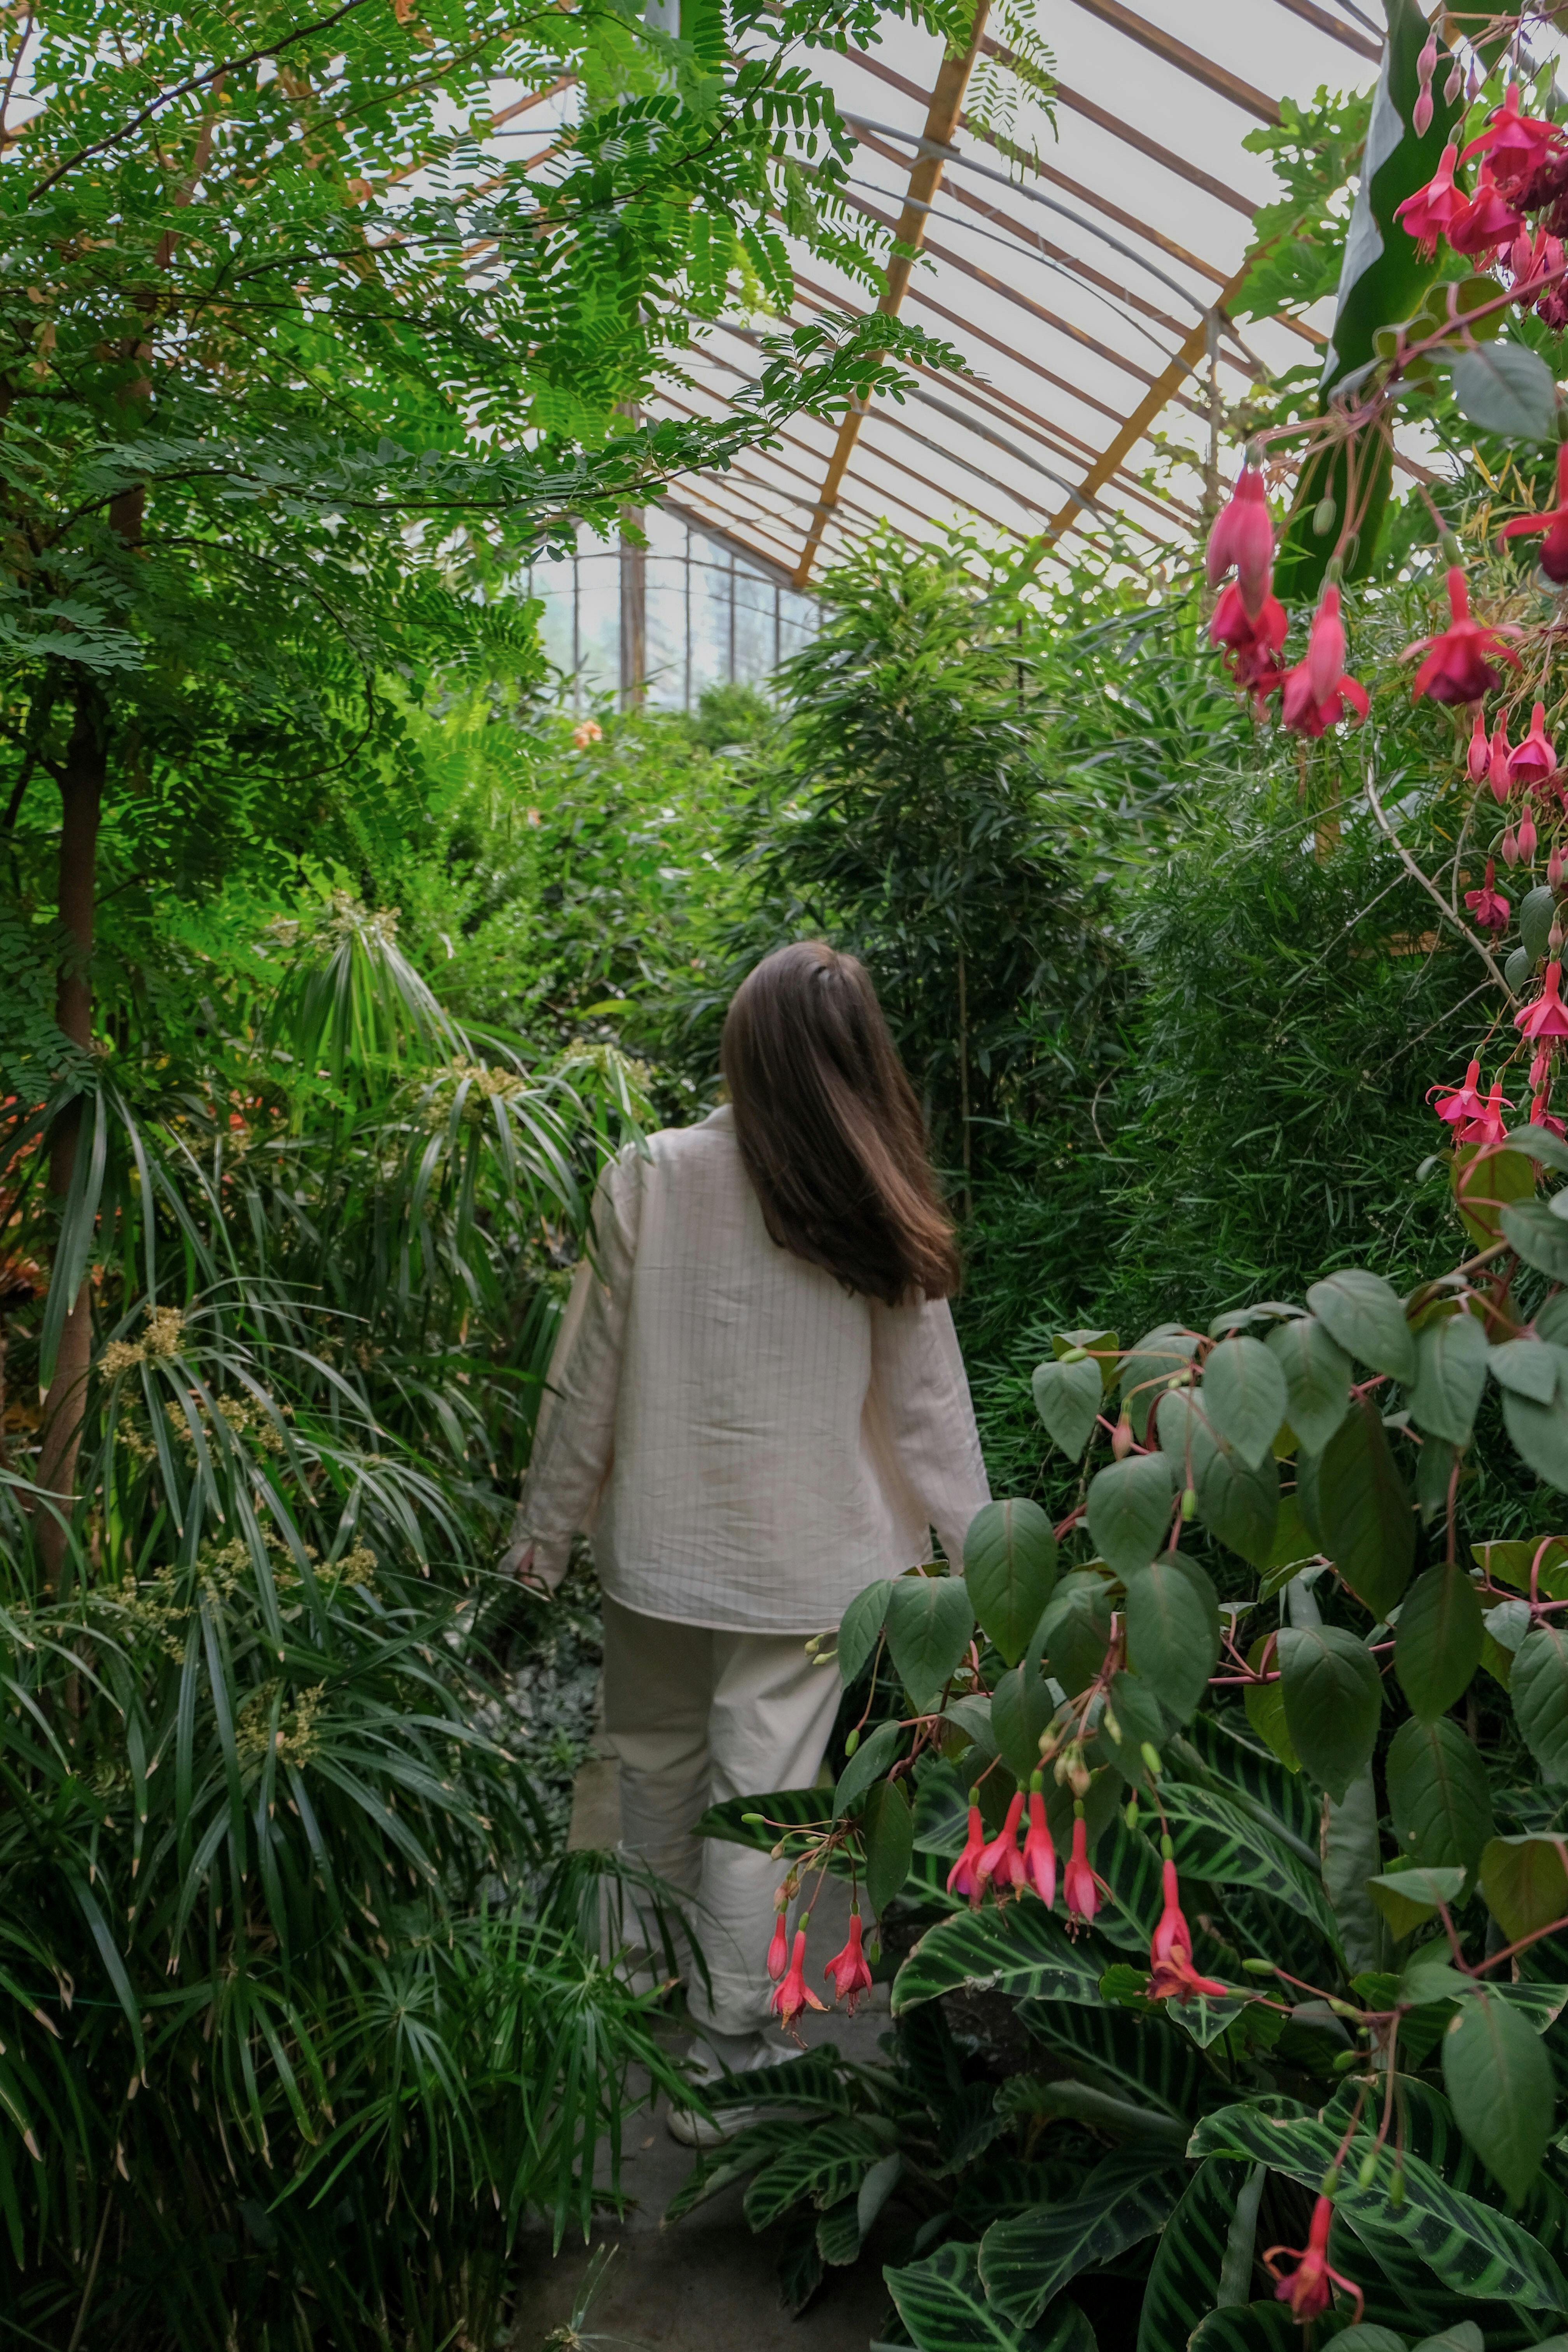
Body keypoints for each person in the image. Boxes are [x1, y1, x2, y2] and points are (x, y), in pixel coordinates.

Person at [500, 940, 989, 2138]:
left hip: (659, 1547)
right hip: (808, 1564)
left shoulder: (653, 1176)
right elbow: (928, 1413)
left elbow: (587, 1384)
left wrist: (540, 1542)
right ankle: (729, 2059)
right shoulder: (876, 1195)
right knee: (765, 1792)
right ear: (860, 1056)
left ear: (741, 1047)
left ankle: (633, 1986)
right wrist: (988, 1566)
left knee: (652, 1760)